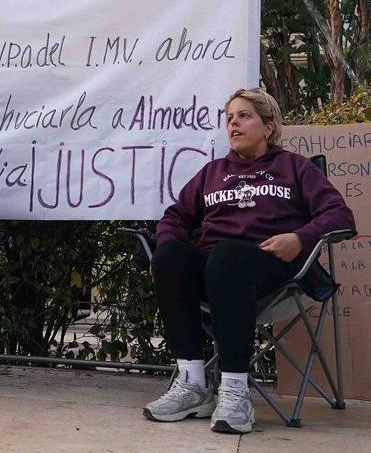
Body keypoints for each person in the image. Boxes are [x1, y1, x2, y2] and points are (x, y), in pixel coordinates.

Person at [143, 88, 355, 434]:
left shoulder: (294, 168)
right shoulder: (213, 172)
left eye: (243, 116)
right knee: (169, 255)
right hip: (216, 269)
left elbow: (340, 215)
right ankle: (193, 384)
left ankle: (235, 390)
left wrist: (300, 238)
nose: (234, 124)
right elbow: (175, 218)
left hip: (270, 265)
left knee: (228, 255)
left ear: (268, 126)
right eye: (229, 118)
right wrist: (166, 243)